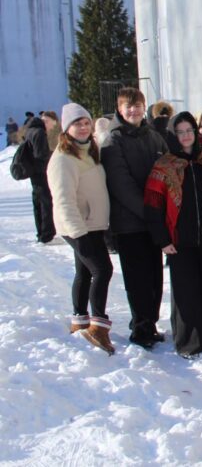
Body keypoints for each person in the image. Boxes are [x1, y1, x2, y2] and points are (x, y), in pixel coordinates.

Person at [145, 112, 202, 358]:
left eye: (189, 131)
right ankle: (188, 342)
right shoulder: (164, 166)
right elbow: (153, 205)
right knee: (186, 292)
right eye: (180, 132)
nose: (186, 136)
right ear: (173, 135)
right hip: (179, 239)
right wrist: (162, 239)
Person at [102, 87, 169, 348]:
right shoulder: (113, 141)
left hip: (154, 220)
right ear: (120, 109)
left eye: (138, 105)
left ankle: (150, 322)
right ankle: (141, 327)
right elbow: (121, 185)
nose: (134, 110)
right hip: (130, 223)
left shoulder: (153, 137)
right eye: (128, 106)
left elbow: (168, 169)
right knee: (137, 278)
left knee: (155, 277)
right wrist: (150, 213)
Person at [47, 103, 114, 354]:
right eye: (77, 124)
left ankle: (80, 320)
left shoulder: (87, 151)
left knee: (84, 272)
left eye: (86, 122)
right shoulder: (63, 159)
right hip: (79, 226)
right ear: (67, 129)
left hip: (91, 224)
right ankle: (98, 327)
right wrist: (78, 234)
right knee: (102, 270)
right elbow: (63, 200)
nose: (84, 127)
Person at [23, 113, 56, 243]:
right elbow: (40, 155)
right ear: (47, 121)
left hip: (34, 172)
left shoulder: (30, 130)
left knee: (38, 203)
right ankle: (47, 234)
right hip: (41, 172)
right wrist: (53, 155)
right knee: (46, 202)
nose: (52, 128)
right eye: (52, 125)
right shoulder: (40, 132)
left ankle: (41, 232)